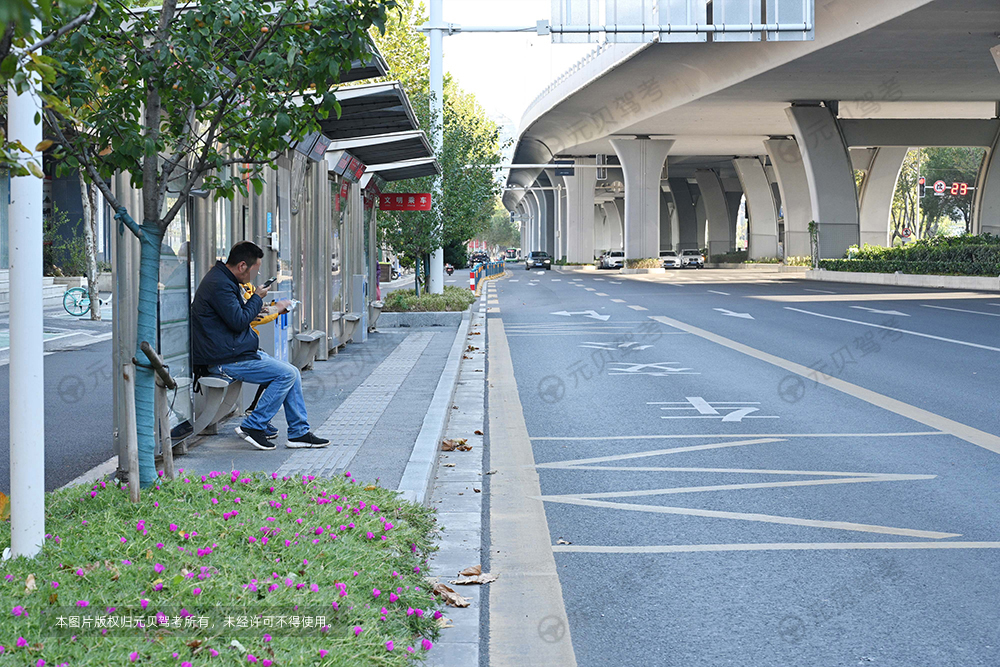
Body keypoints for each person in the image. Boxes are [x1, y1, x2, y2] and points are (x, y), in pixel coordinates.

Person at [190, 241, 330, 451]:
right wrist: (256, 297)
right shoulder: (219, 284)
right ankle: (254, 425)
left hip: (234, 352)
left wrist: (259, 306)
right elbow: (239, 321)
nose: (255, 275)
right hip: (225, 359)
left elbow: (237, 317)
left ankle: (299, 432)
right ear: (242, 266)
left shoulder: (224, 281)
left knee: (292, 372)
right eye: (255, 269)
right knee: (286, 375)